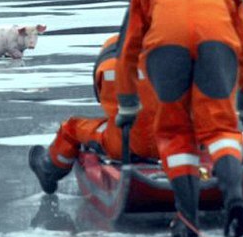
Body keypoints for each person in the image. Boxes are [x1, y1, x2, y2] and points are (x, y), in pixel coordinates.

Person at [114, 0, 243, 237]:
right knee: (220, 129)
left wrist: (128, 104)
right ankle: (233, 198)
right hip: (216, 42)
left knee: (175, 132)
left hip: (166, 46)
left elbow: (127, 49)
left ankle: (188, 220)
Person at [29, 33, 159, 195]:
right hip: (176, 143)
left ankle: (49, 169)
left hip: (122, 143)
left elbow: (102, 97)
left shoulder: (110, 58)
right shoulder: (173, 56)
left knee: (72, 129)